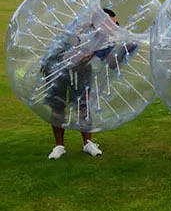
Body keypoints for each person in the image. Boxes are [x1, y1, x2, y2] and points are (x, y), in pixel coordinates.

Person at [42, 8, 127, 160]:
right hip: (57, 69)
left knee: (84, 107)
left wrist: (126, 51)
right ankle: (59, 146)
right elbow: (58, 49)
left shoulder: (105, 39)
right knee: (57, 107)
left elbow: (112, 63)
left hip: (82, 72)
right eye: (112, 24)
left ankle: (88, 143)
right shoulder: (78, 29)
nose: (115, 28)